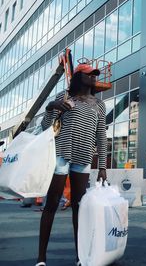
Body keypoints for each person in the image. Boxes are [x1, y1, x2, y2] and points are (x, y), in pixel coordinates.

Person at [35, 63, 107, 266]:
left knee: (79, 208)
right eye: (88, 74)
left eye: (94, 75)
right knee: (52, 203)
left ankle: (80, 257)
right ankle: (41, 258)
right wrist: (51, 107)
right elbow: (45, 127)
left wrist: (102, 166)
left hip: (83, 158)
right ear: (77, 77)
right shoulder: (63, 97)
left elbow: (101, 136)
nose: (93, 77)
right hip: (61, 154)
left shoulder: (99, 104)